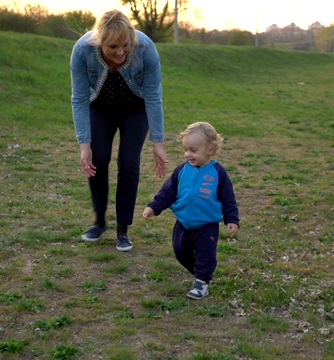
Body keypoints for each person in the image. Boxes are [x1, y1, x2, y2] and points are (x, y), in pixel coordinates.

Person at [70, 9, 168, 252]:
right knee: (98, 159)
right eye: (112, 46)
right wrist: (84, 145)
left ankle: (122, 230)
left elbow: (154, 96)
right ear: (100, 41)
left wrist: (158, 142)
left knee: (128, 163)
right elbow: (79, 98)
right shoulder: (82, 50)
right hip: (100, 107)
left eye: (125, 45)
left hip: (136, 109)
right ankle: (99, 221)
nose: (120, 52)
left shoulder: (145, 48)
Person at [143, 122, 239, 300]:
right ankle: (202, 271)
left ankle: (202, 281)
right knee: (180, 252)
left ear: (210, 150)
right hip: (184, 222)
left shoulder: (218, 173)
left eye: (193, 150)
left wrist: (231, 219)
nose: (188, 154)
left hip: (206, 224)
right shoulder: (182, 170)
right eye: (186, 149)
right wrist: (154, 207)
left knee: (205, 253)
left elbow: (228, 198)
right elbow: (168, 192)